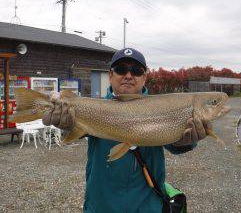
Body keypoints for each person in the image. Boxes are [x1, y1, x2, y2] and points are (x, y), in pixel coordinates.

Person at [43, 47, 208, 213]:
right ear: (110, 75)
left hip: (148, 206)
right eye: (121, 69)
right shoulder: (93, 108)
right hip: (100, 206)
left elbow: (176, 146)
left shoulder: (162, 108)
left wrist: (185, 140)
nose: (128, 75)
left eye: (136, 71)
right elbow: (72, 131)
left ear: (144, 78)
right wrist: (63, 123)